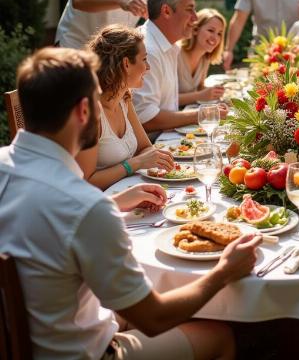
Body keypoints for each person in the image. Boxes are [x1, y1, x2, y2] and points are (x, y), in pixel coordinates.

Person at [0, 47, 261, 359]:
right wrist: (224, 272)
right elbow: (153, 318)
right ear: (84, 110)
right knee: (218, 335)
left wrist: (113, 202)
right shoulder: (85, 207)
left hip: (33, 331)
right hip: (84, 353)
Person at [75, 25, 175, 191]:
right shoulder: (91, 111)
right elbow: (87, 181)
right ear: (126, 64)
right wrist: (135, 164)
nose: (148, 67)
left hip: (129, 192)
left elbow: (145, 147)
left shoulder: (123, 99)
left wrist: (155, 158)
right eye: (144, 59)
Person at [132, 0, 202, 133]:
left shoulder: (168, 45)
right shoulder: (148, 50)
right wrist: (202, 114)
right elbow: (145, 118)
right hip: (151, 146)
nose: (195, 18)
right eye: (190, 9)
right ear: (166, 11)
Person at [178, 8, 227, 105]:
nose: (215, 38)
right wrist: (200, 95)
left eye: (219, 34)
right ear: (195, 30)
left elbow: (199, 87)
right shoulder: (176, 55)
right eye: (210, 30)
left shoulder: (205, 58)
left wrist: (213, 92)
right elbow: (166, 100)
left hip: (189, 112)